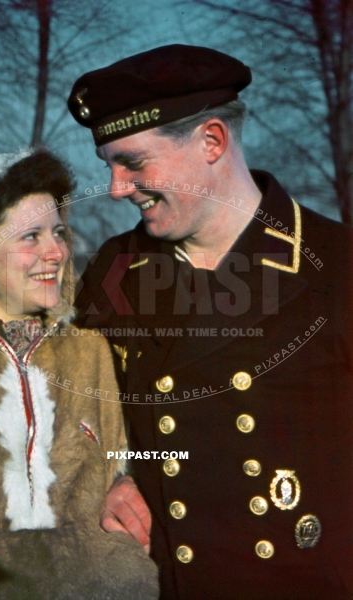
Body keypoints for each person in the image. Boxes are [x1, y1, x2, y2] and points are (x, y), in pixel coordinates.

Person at [68, 45, 353, 599]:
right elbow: (79, 413)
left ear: (212, 142)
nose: (117, 187)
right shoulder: (115, 271)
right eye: (109, 165)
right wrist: (104, 479)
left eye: (134, 162)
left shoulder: (337, 266)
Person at [0, 149, 158, 599]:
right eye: (30, 236)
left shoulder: (92, 352)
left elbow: (131, 457)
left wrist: (133, 483)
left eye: (57, 232)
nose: (56, 251)